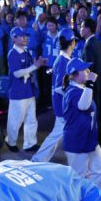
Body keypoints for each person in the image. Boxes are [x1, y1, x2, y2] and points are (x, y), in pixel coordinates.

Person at [32, 28, 75, 163]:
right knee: (60, 136)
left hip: (63, 107)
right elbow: (59, 89)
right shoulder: (63, 61)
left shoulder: (62, 59)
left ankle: (38, 160)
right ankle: (38, 160)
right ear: (73, 43)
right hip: (64, 107)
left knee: (61, 136)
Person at [62, 59, 101, 188]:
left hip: (89, 139)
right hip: (77, 141)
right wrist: (90, 83)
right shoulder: (72, 92)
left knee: (99, 170)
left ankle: (94, 199)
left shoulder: (82, 89)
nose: (88, 72)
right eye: (84, 70)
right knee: (77, 179)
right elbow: (83, 105)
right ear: (74, 75)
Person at [6, 26, 48, 153]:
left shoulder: (26, 51)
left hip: (28, 90)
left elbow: (29, 68)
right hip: (18, 92)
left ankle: (30, 143)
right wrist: (34, 66)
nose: (25, 38)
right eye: (22, 36)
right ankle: (11, 141)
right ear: (14, 38)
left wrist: (38, 64)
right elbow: (17, 73)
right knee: (15, 119)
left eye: (25, 36)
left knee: (31, 119)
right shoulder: (12, 53)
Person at [81, 18, 101, 143]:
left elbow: (89, 67)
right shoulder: (97, 42)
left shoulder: (89, 45)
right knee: (99, 112)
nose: (80, 29)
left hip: (93, 85)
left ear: (88, 29)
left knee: (93, 112)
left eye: (82, 27)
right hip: (100, 82)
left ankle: (95, 138)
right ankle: (100, 137)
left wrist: (87, 85)